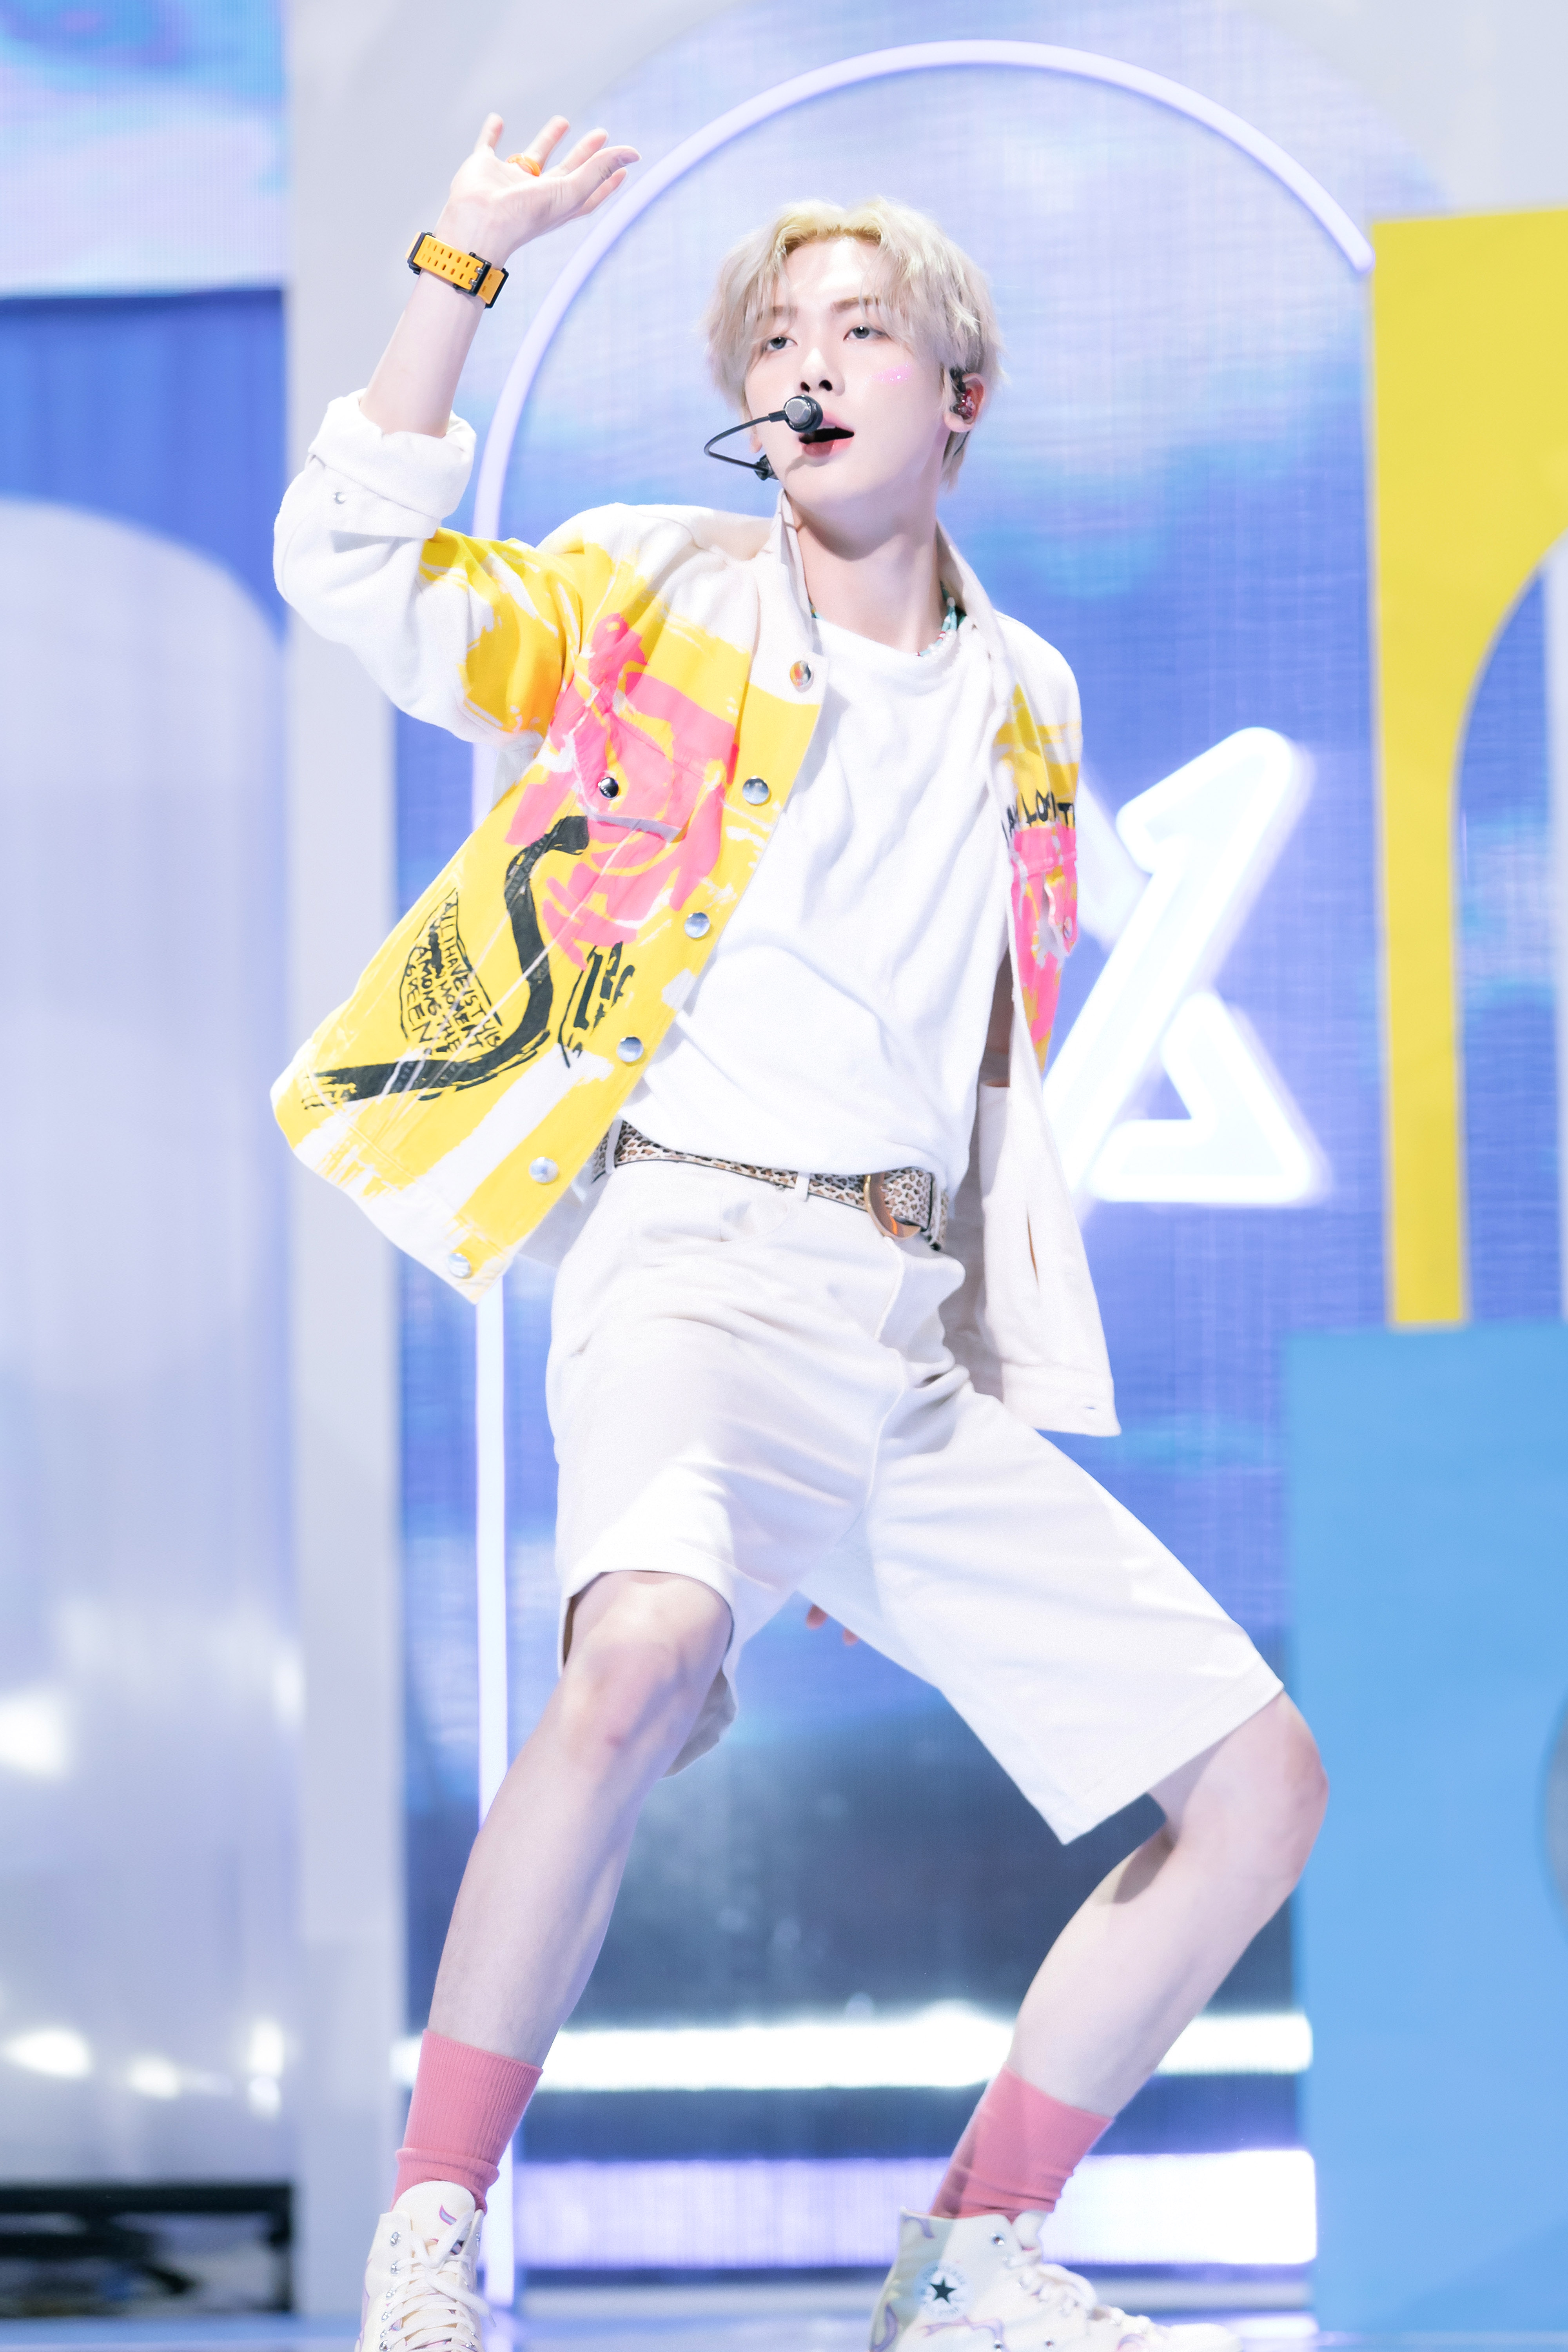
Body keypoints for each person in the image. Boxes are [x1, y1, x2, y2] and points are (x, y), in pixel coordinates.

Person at [274, 110, 1327, 2352]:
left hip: (898, 1338)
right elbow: (359, 571)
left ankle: (973, 2254)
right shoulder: (653, 598)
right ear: (746, 407)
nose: (810, 361)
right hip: (692, 1270)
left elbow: (977, 1072)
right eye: (772, 337)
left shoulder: (1031, 701)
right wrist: (462, 257)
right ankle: (433, 2228)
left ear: (963, 396)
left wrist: (932, 1397)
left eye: (859, 327)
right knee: (640, 1647)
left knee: (1258, 1790)